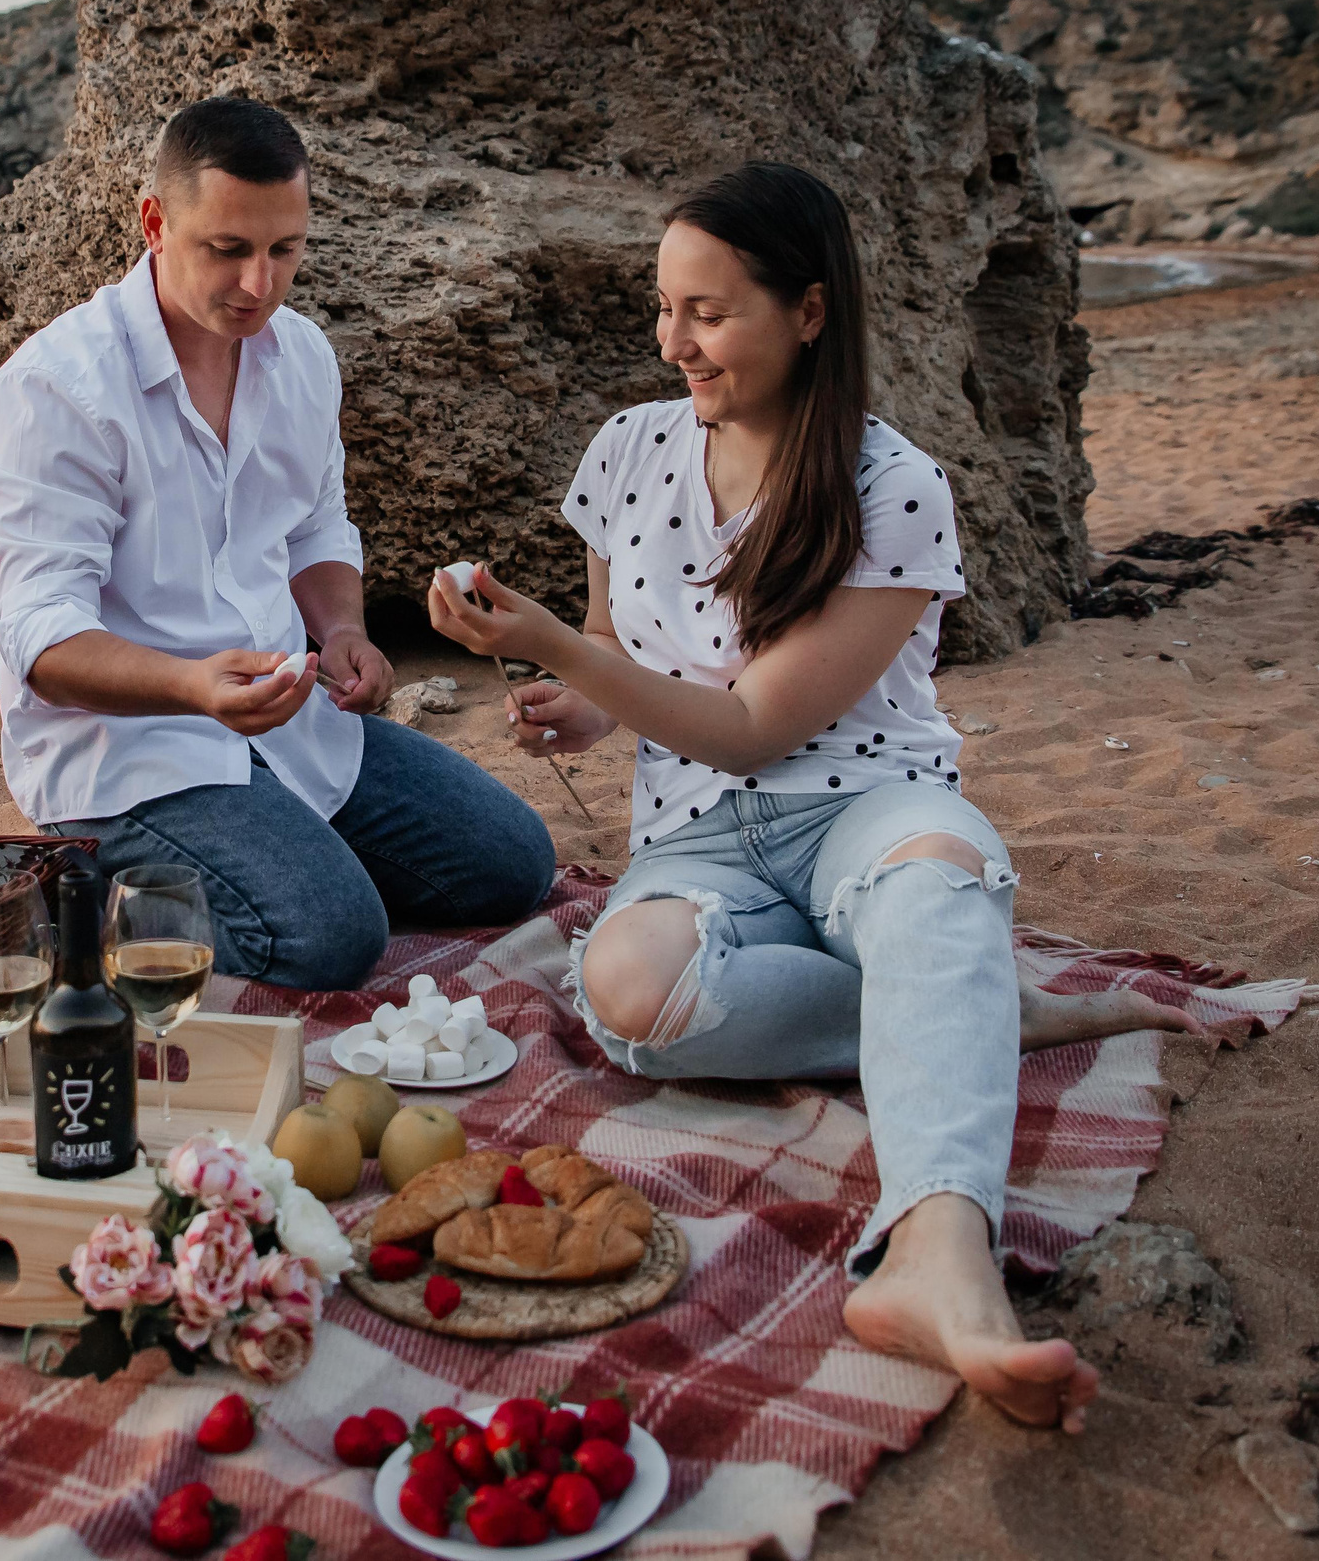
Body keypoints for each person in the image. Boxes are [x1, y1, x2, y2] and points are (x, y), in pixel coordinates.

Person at [426, 161, 1201, 1432]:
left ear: (808, 311)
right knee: (627, 999)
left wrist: (562, 652)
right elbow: (630, 663)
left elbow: (748, 725)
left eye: (709, 312)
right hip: (695, 839)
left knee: (931, 881)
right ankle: (962, 1001)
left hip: (861, 805)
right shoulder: (627, 450)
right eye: (665, 306)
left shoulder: (894, 488)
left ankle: (938, 1261)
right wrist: (567, 691)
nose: (674, 340)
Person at [0, 96, 555, 989]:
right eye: (229, 250)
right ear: (156, 224)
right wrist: (192, 687)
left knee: (515, 863)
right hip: (129, 753)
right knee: (330, 939)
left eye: (285, 250)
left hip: (289, 717)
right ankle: (82, 888)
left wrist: (345, 630)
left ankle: (270, 855)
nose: (259, 285)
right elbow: (40, 639)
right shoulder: (58, 391)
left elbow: (316, 523)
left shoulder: (303, 357)